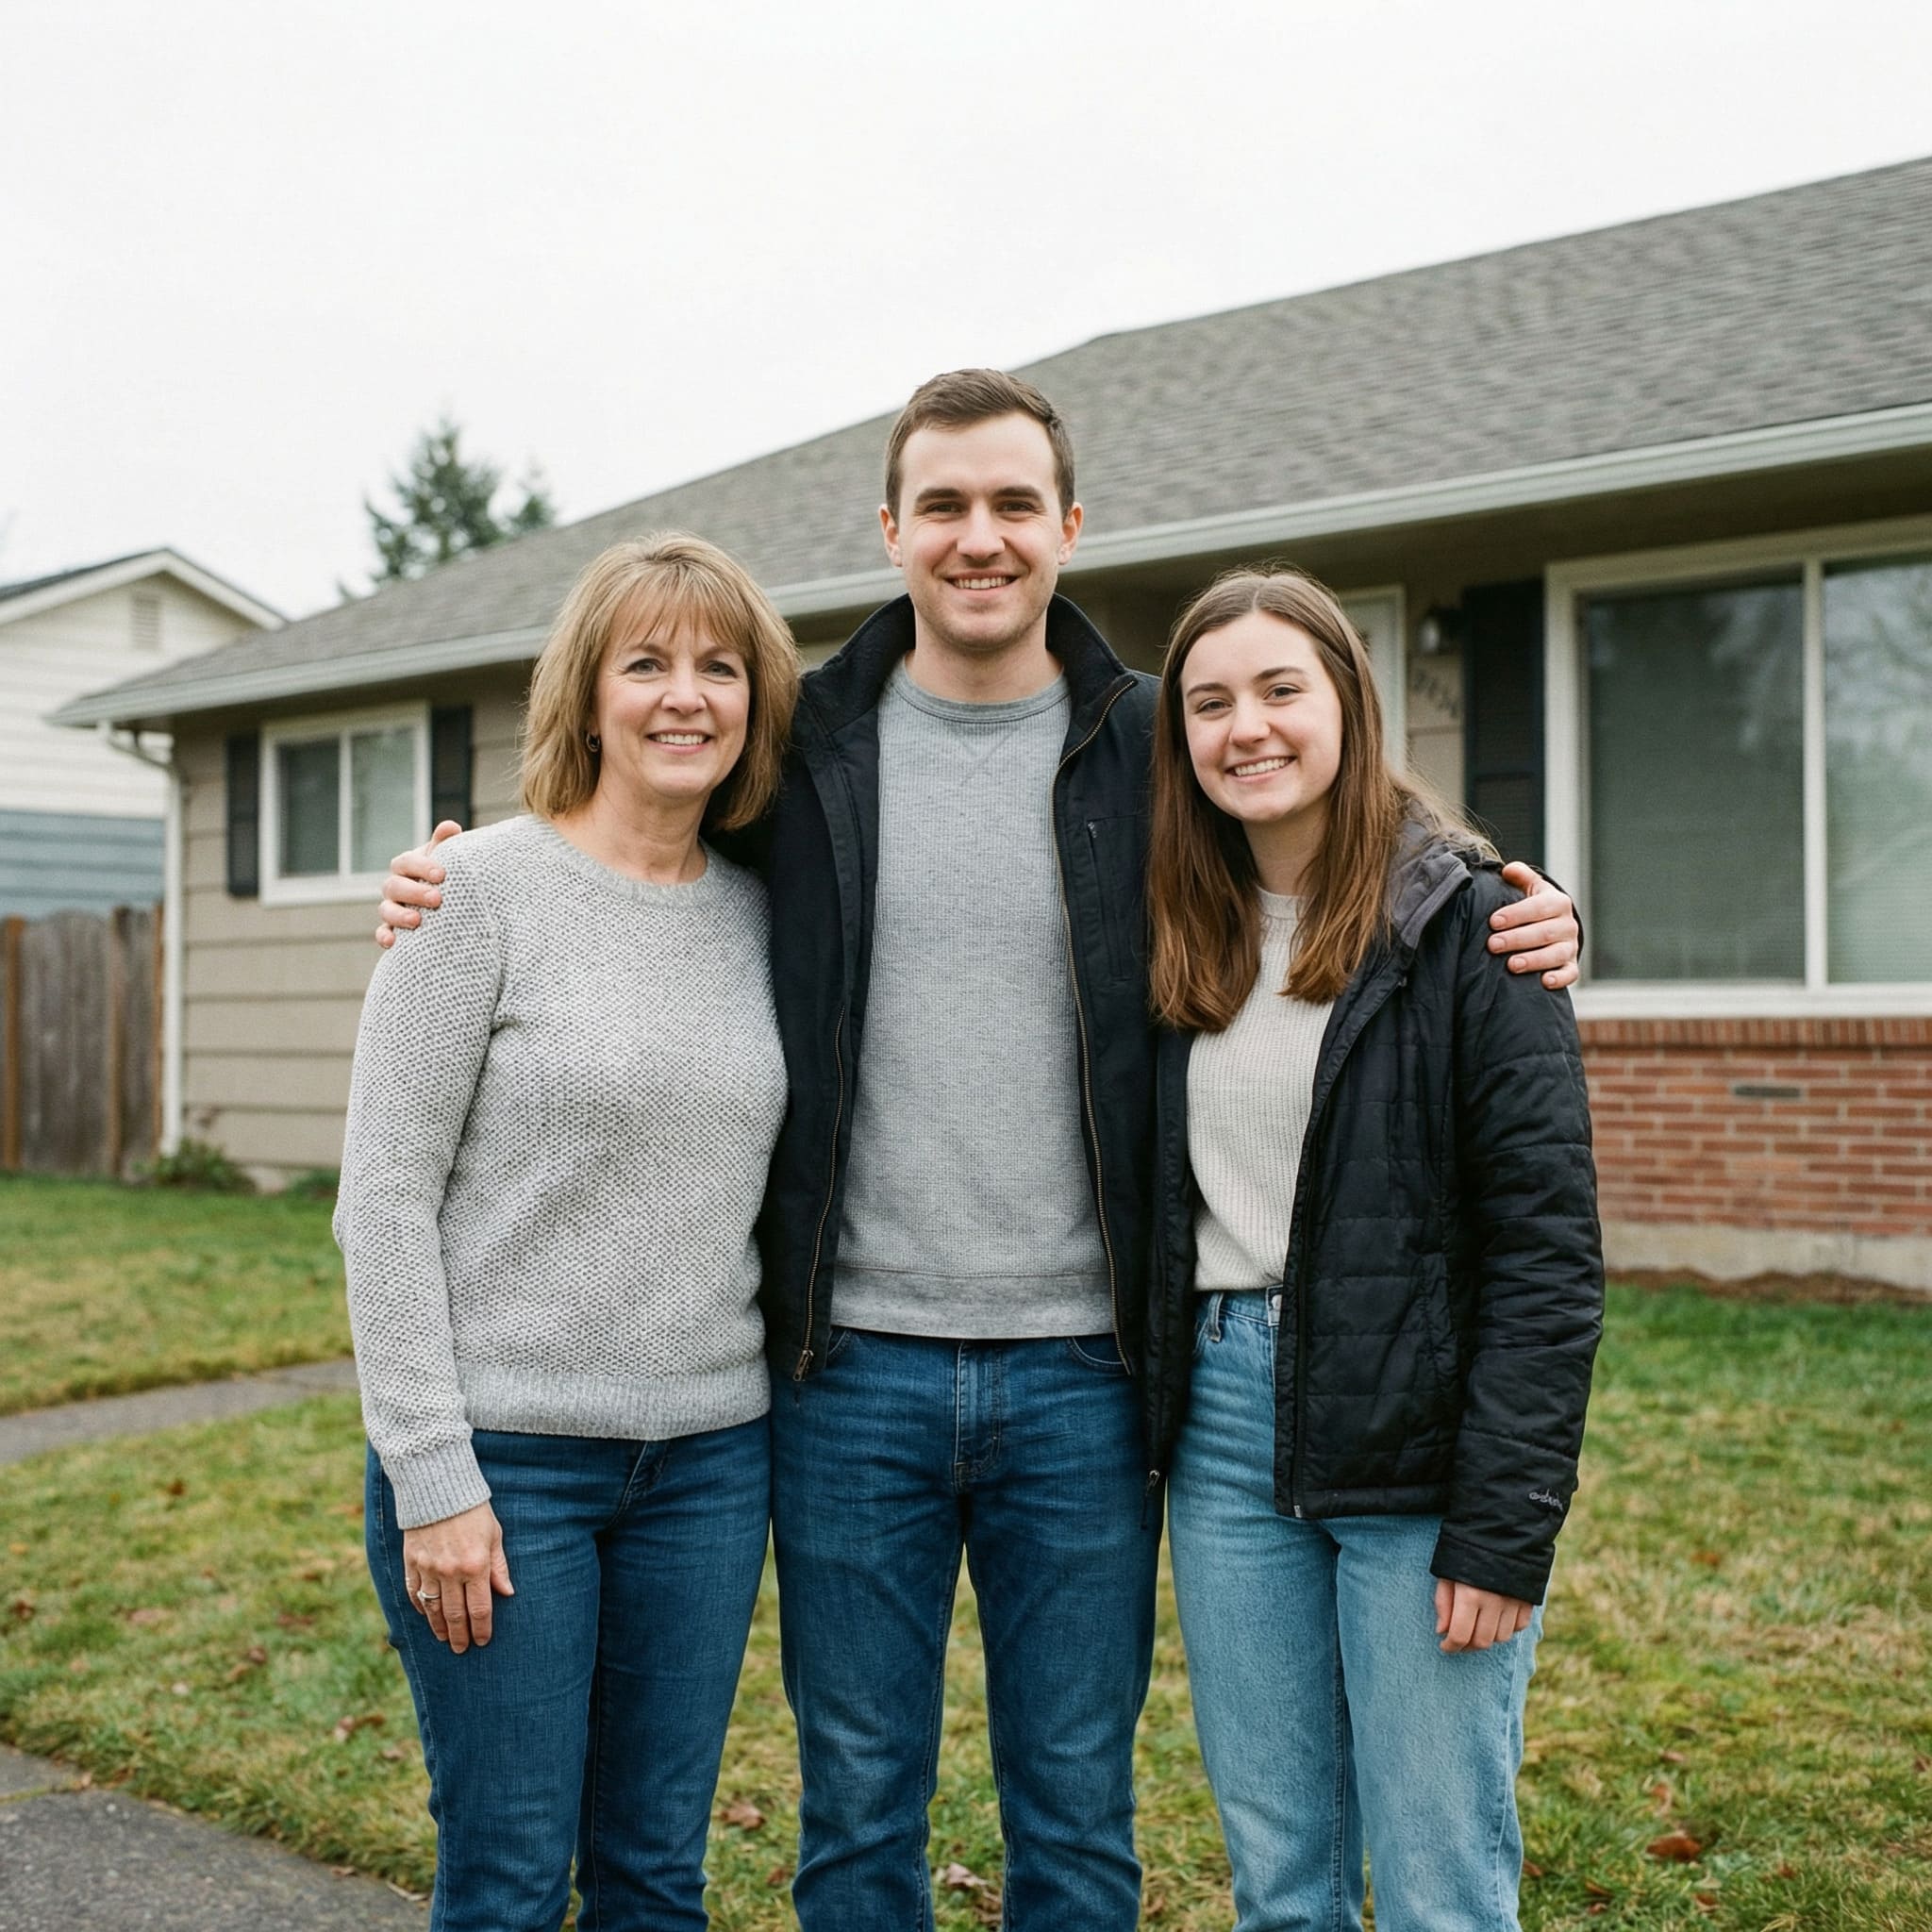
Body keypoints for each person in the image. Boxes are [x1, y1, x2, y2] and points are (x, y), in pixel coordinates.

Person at [377, 371, 1586, 1932]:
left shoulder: (1152, 740)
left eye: (1015, 503)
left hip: (1089, 1374)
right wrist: (451, 878)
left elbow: (1325, 805)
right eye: (943, 504)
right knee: (857, 1802)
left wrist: (1505, 896)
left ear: (1069, 524)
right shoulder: (797, 746)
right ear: (891, 530)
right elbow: (626, 835)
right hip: (847, 1374)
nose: (980, 537)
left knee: (1076, 1810)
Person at [335, 532, 800, 1932]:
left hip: (709, 1466)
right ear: (586, 694)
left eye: (720, 667)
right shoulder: (473, 894)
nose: (685, 695)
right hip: (505, 1467)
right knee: (510, 1881)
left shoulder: (771, 917)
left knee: (658, 1878)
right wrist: (433, 1475)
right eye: (646, 663)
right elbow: (383, 1199)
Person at [1141, 565, 1603, 1932]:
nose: (1247, 728)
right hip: (1225, 1433)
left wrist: (1505, 1526)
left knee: (1437, 1879)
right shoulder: (1168, 924)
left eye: (1281, 689)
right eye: (1210, 703)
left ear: (1350, 700)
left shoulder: (1475, 924)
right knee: (1281, 1876)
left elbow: (1547, 1254)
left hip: (1421, 1438)